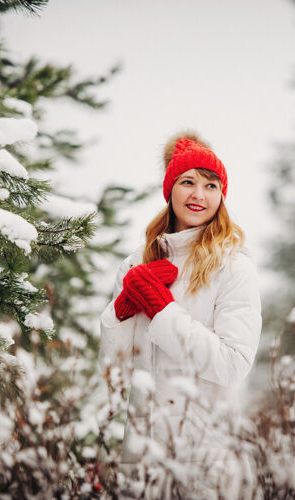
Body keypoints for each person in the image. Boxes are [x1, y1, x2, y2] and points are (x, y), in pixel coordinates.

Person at [98, 131, 262, 463]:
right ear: (170, 189)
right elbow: (114, 371)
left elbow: (233, 366)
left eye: (211, 185)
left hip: (204, 456)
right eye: (187, 182)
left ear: (221, 196)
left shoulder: (233, 267)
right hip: (142, 454)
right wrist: (120, 310)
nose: (198, 195)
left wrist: (162, 310)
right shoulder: (136, 264)